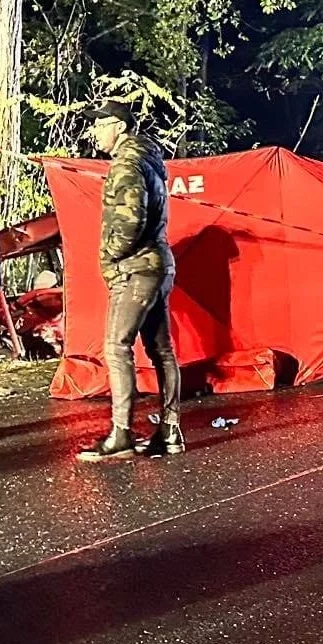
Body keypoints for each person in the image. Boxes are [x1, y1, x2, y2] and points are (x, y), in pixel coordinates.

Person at [79, 101, 183, 462]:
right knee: (162, 350)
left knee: (116, 345)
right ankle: (170, 432)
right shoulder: (149, 160)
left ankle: (121, 432)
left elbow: (130, 221)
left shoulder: (126, 164)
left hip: (135, 269)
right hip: (158, 265)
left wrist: (109, 256)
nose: (96, 132)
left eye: (101, 125)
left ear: (119, 128)